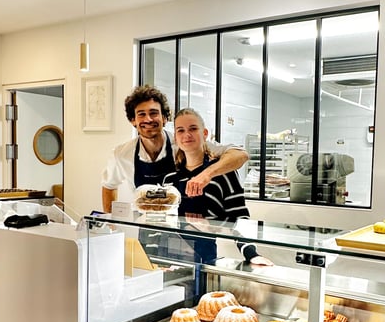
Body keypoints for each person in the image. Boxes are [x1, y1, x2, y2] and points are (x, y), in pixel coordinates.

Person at [101, 85, 248, 212]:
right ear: (133, 120)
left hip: (181, 227)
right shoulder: (122, 154)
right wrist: (111, 223)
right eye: (141, 115)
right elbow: (109, 186)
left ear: (165, 118)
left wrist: (206, 175)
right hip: (146, 230)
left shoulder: (182, 142)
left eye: (154, 113)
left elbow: (240, 155)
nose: (148, 119)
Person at [164, 107, 273, 267]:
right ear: (175, 137)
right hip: (169, 257)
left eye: (193, 129)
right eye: (181, 130)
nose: (187, 135)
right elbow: (161, 221)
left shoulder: (223, 173)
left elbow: (239, 217)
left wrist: (251, 253)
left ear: (205, 133)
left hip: (206, 260)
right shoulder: (170, 177)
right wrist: (153, 256)